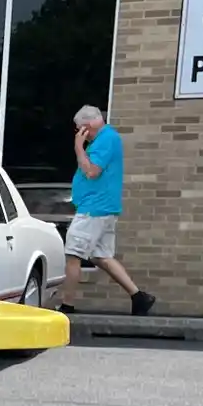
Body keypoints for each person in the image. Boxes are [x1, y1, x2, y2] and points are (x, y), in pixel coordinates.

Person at [60, 105, 153, 316]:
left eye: (79, 129)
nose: (78, 133)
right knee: (100, 256)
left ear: (87, 126)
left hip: (94, 209)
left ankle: (67, 306)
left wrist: (78, 147)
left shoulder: (105, 139)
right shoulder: (107, 138)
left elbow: (92, 171)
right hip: (103, 208)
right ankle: (139, 297)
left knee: (73, 255)